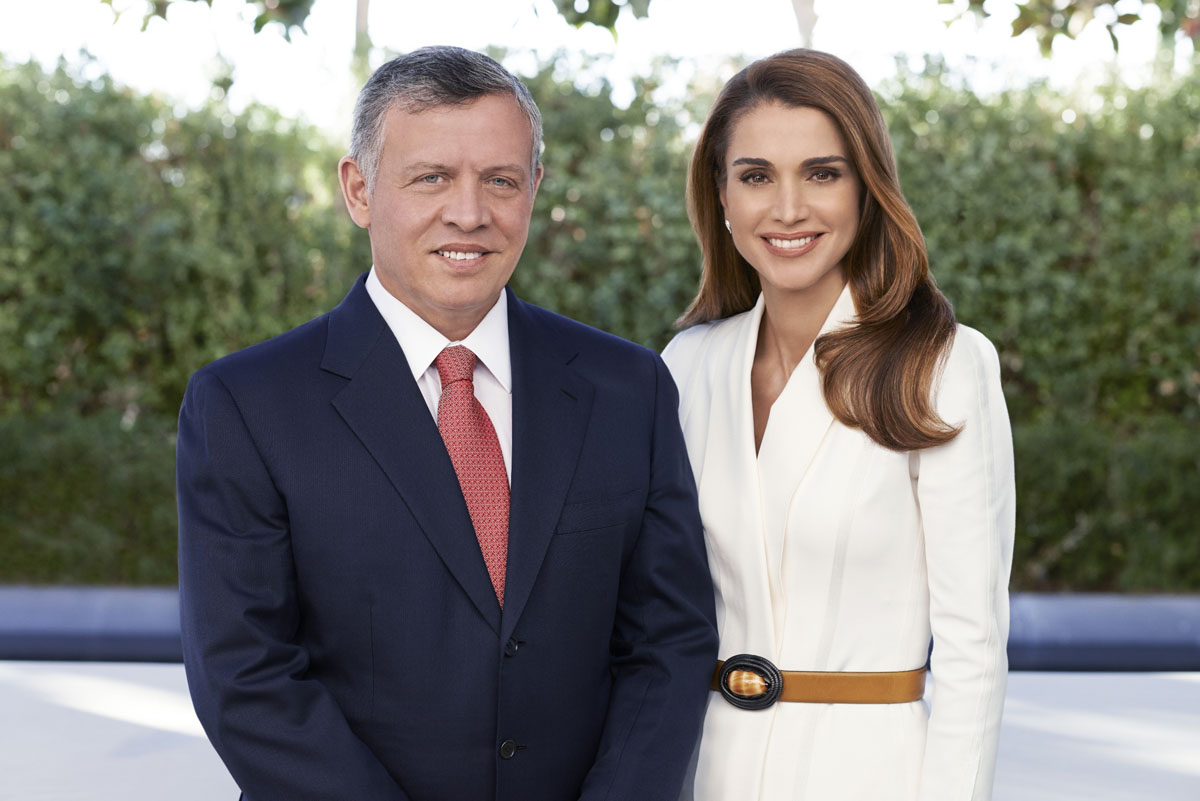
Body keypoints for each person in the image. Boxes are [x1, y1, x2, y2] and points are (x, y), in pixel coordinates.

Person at [176, 46, 717, 801]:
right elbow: (246, 674)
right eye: (431, 177)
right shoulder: (245, 403)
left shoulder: (627, 388)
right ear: (359, 190)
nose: (470, 212)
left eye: (500, 179)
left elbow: (669, 641)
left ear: (534, 188)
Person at [662, 49, 1015, 801]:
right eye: (756, 176)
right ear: (721, 196)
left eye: (822, 173)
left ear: (866, 189)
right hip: (704, 772)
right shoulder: (686, 365)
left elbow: (972, 647)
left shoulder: (945, 363)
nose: (788, 208)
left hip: (874, 775)